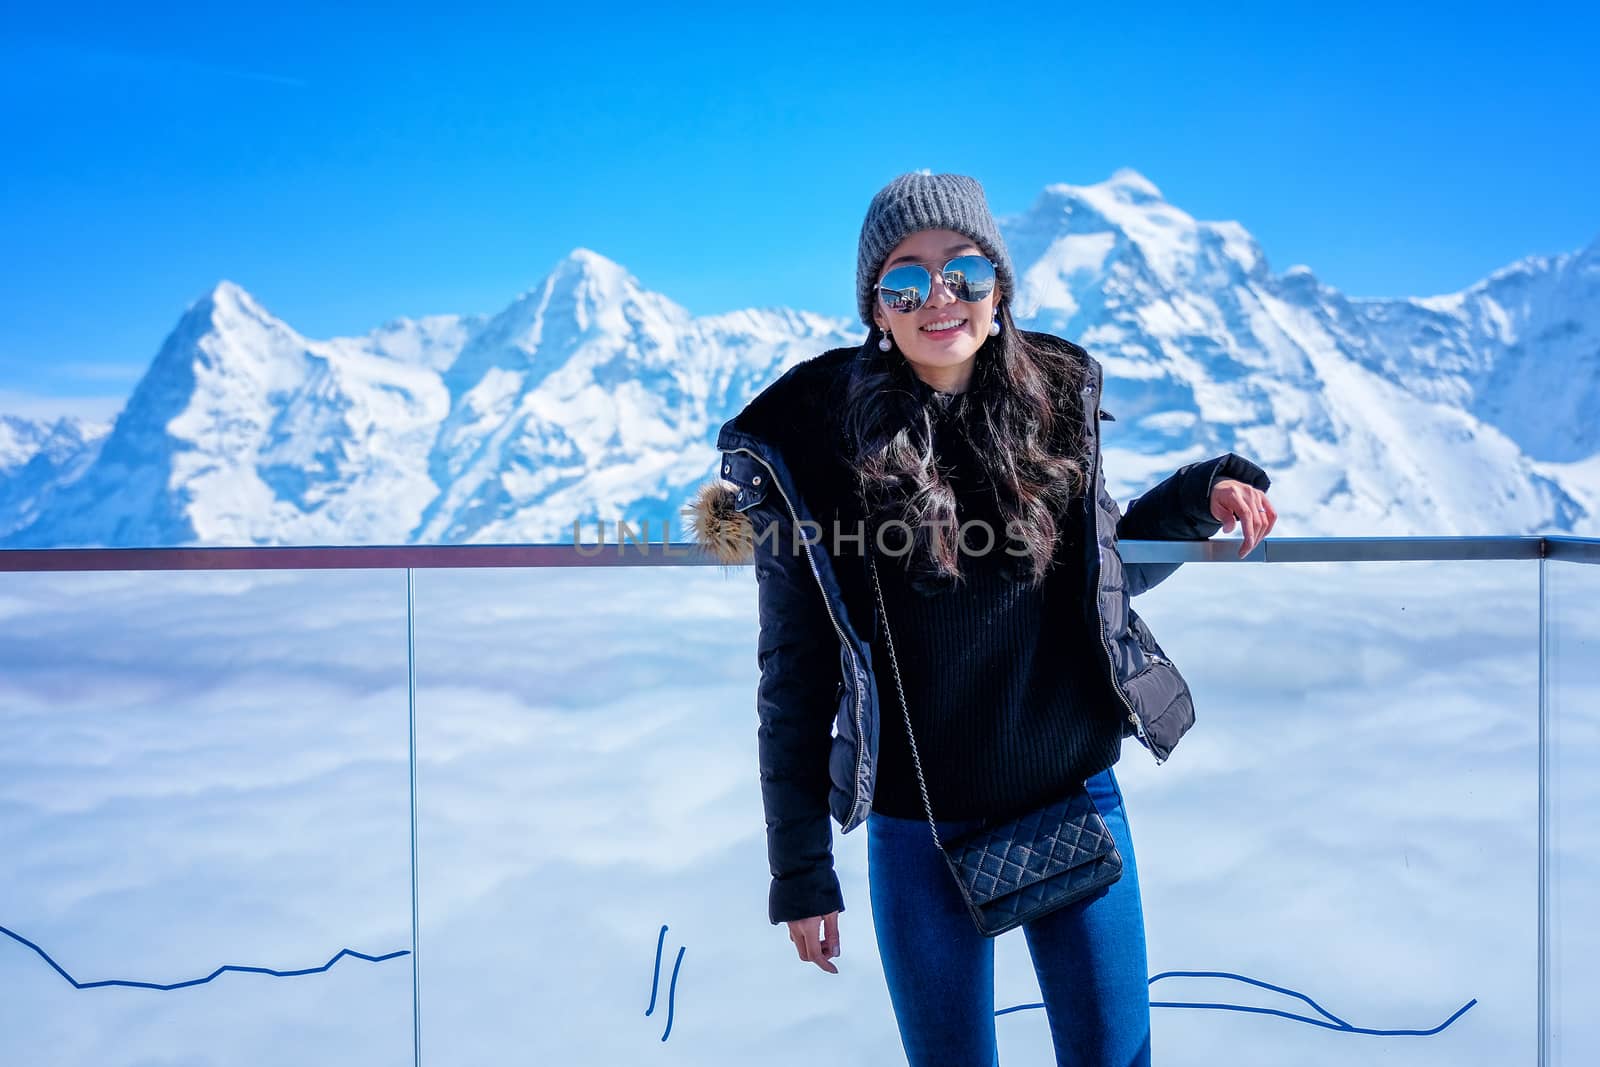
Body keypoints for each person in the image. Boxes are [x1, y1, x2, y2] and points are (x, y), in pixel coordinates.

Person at [687, 171, 1277, 1066]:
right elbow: (796, 675)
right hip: (916, 830)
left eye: (963, 271)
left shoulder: (1052, 406)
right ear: (875, 308)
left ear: (999, 289)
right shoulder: (817, 446)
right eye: (907, 281)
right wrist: (802, 870)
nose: (940, 298)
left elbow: (1102, 571)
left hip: (1074, 797)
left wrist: (1202, 495)